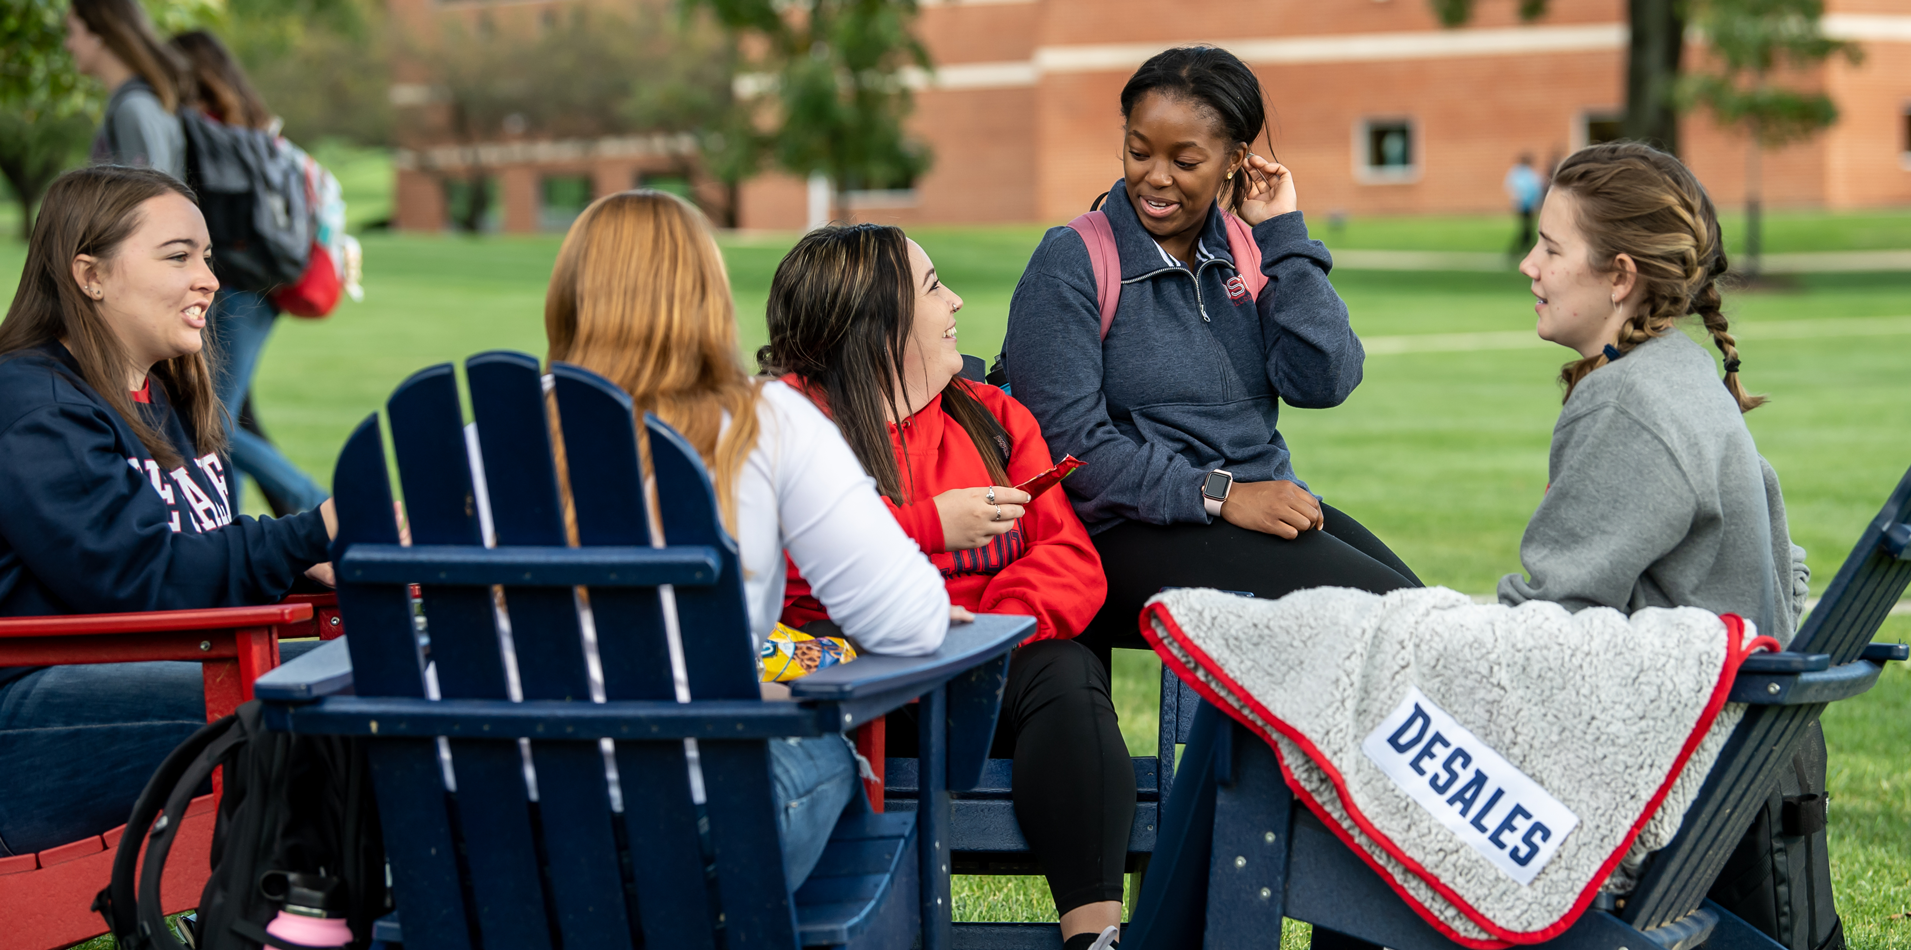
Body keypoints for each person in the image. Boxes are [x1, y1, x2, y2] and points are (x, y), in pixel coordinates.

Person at [542, 191, 953, 887]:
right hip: (694, 820)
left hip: (489, 822)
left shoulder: (484, 441)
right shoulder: (769, 425)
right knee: (833, 759)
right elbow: (913, 624)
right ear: (709, 296)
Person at [762, 225, 1131, 950]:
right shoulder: (787, 425)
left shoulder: (992, 417)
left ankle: (1094, 937)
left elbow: (1069, 561)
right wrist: (923, 527)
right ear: (877, 322)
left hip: (980, 684)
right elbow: (781, 577)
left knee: (1064, 670)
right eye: (933, 287)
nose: (956, 300)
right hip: (848, 692)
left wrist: (981, 638)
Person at [1001, 46, 1421, 671]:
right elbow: (1070, 451)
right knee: (1393, 625)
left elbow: (1325, 378)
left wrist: (1283, 236)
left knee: (1424, 618)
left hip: (1254, 511)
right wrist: (1219, 494)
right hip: (1118, 534)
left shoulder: (1251, 252)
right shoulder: (1072, 260)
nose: (1156, 177)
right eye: (1139, 151)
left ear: (1234, 162)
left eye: (1186, 160)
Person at [0, 165, 337, 857]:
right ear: (89, 274)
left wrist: (314, 564)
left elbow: (192, 550)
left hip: (149, 672)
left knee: (397, 668)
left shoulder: (163, 398)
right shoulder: (33, 405)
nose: (209, 278)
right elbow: (139, 581)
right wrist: (309, 532)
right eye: (178, 256)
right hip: (32, 717)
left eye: (207, 257)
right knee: (346, 704)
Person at [1497, 140, 1807, 643]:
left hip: (1685, 709)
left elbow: (1553, 624)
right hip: (1724, 686)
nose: (1528, 265)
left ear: (1620, 276)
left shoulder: (1625, 405)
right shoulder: (1679, 369)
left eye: (1552, 249)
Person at [169, 29, 331, 516]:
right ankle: (229, 521)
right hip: (265, 280)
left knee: (211, 421)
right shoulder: (253, 125)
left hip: (238, 285)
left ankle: (312, 501)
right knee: (230, 411)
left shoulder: (202, 130)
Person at [66, 0, 187, 179]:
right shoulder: (139, 103)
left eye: (72, 32)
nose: (68, 45)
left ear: (97, 35)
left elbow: (149, 200)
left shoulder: (133, 109)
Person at [1505, 153, 1545, 254]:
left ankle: (1526, 249)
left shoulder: (1523, 172)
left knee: (1528, 229)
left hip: (1527, 204)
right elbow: (1515, 187)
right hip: (1524, 204)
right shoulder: (1523, 172)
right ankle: (1515, 251)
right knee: (1526, 229)